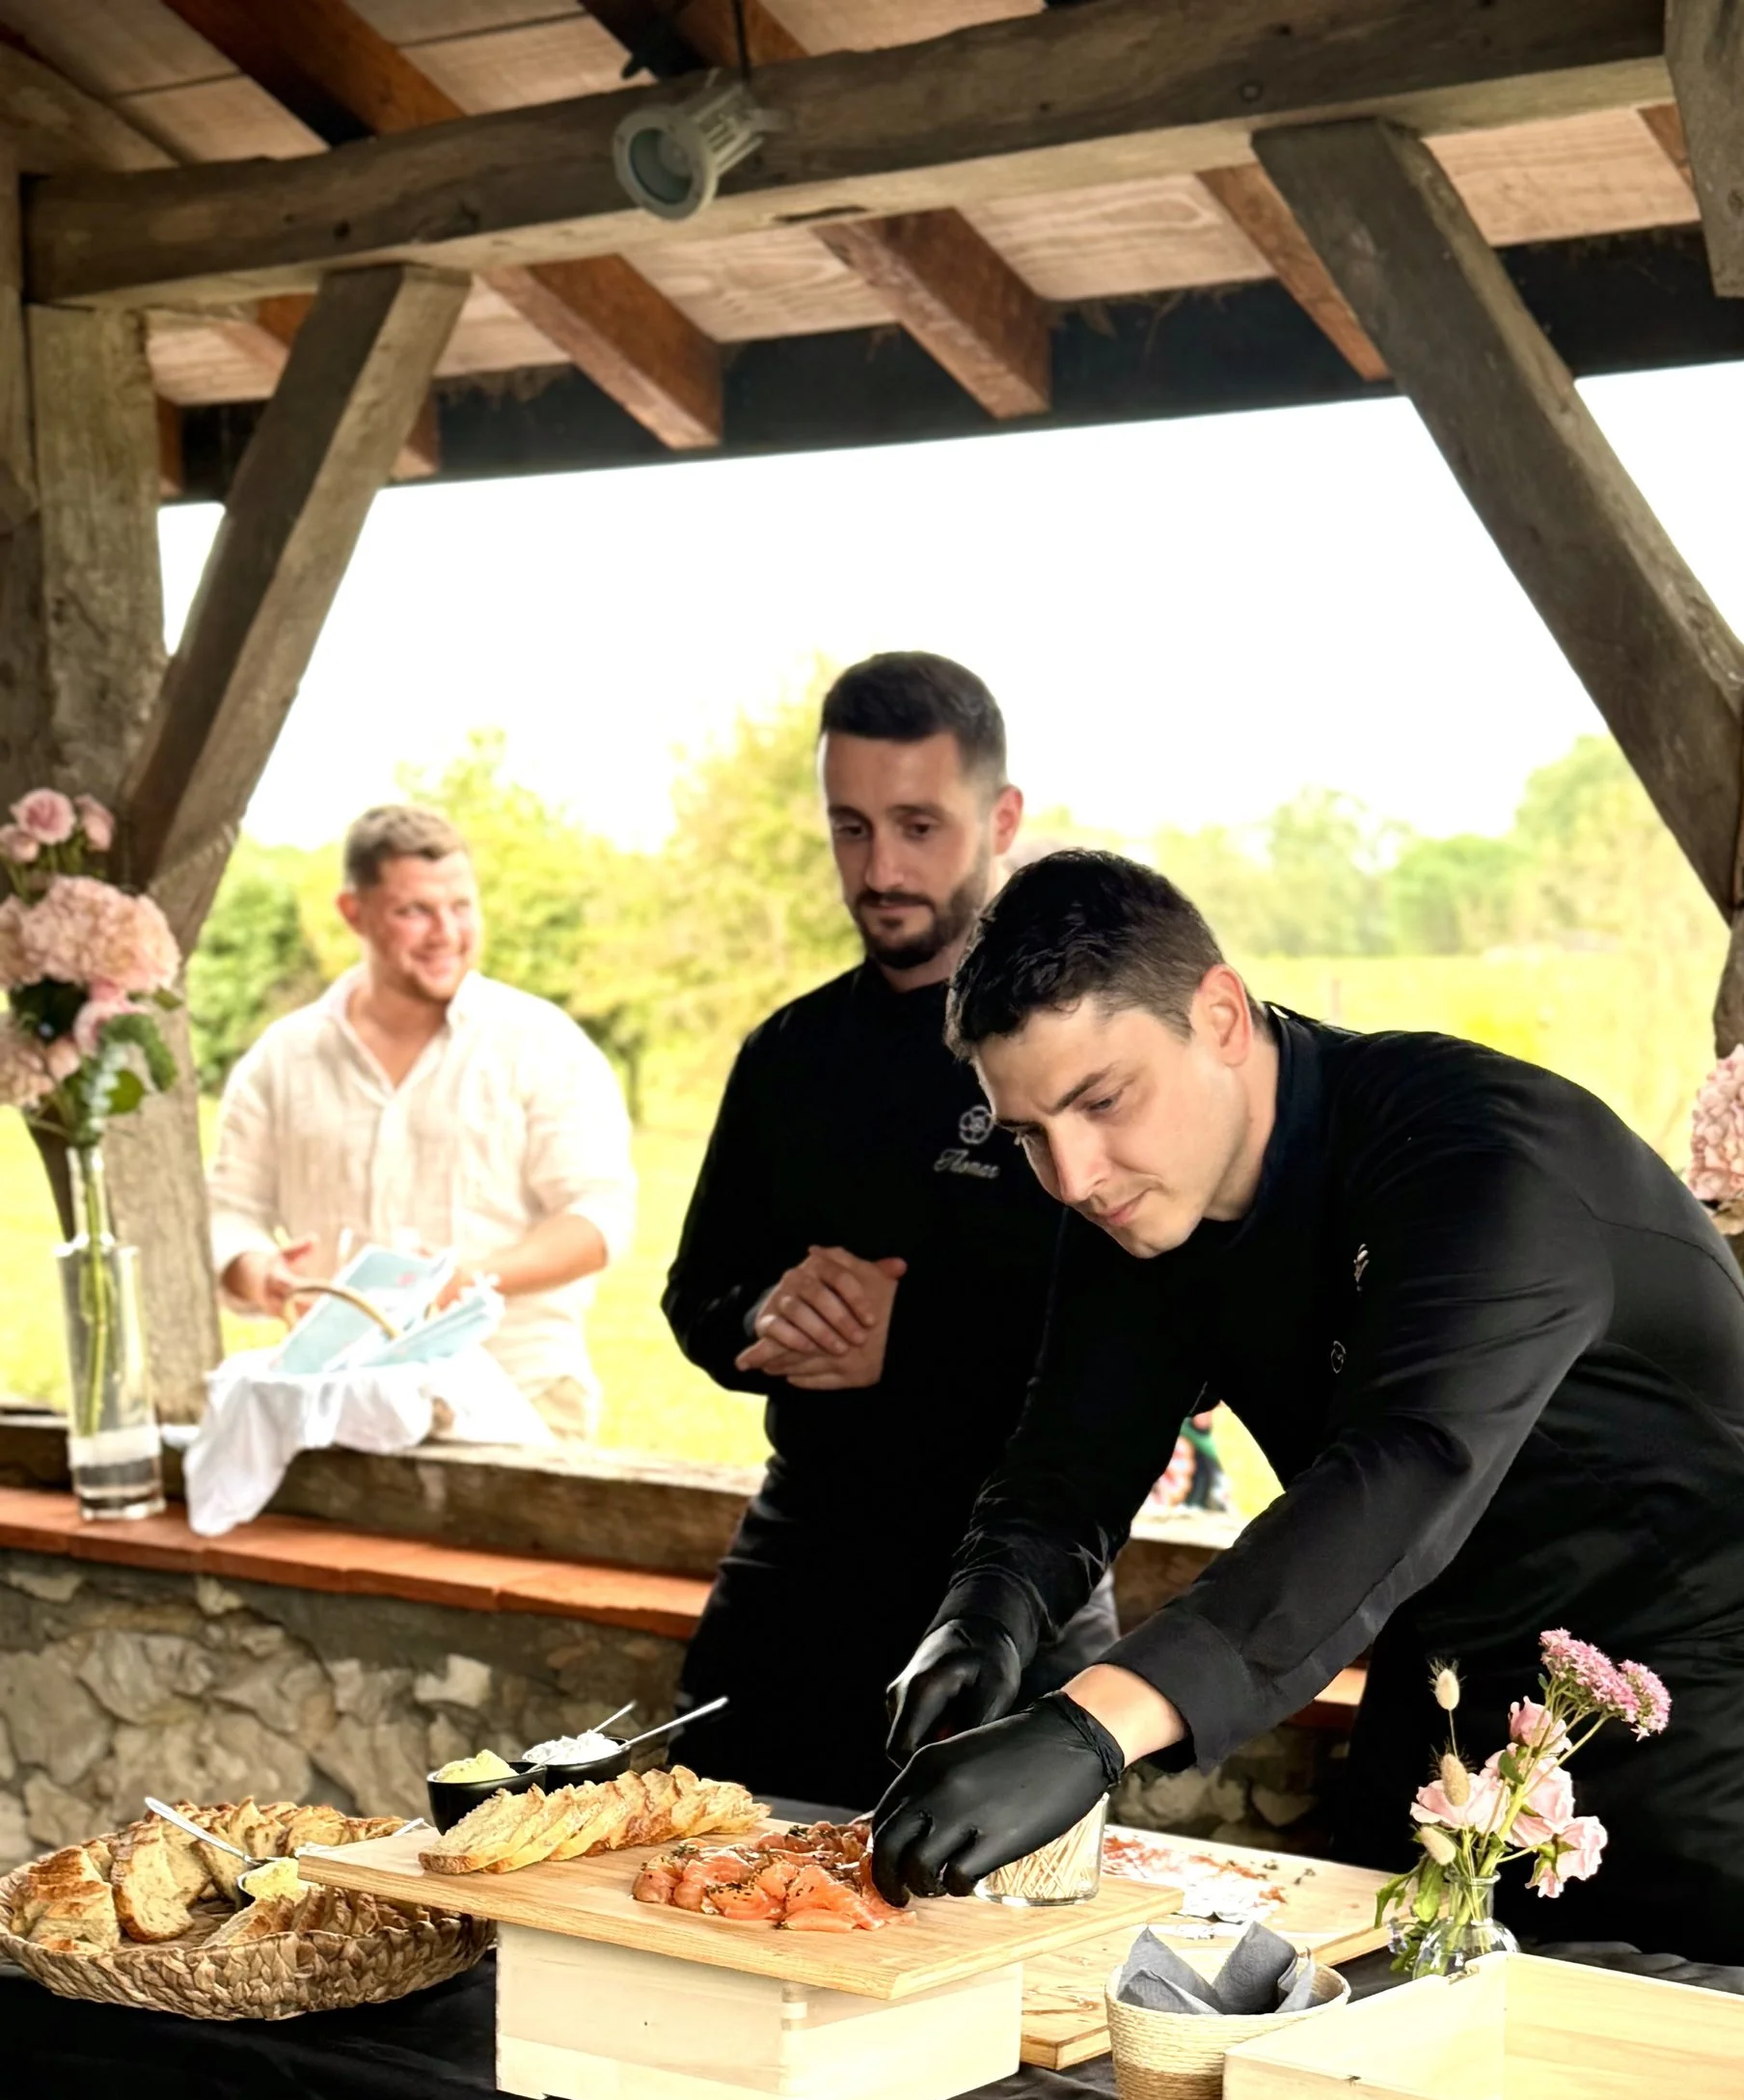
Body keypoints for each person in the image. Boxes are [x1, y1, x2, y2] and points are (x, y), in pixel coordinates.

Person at [874, 850, 1744, 1978]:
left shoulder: (1485, 1159)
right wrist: (985, 1615)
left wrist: (1087, 1731)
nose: (1072, 1174)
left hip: (1702, 1653)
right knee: (1369, 2006)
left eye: (1101, 1101)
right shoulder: (1132, 1193)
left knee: (1665, 2052)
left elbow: (1400, 1471)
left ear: (1222, 1014)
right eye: (1027, 1133)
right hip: (1446, 1631)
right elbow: (1068, 1459)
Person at [664, 654, 1114, 1809]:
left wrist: (903, 1346)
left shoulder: (1084, 1050)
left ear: (1002, 818)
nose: (882, 869)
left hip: (1010, 1578)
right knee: (693, 1893)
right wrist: (770, 1313)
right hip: (798, 1559)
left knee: (991, 1950)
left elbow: (1138, 1341)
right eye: (851, 828)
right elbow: (696, 1295)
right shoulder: (790, 1053)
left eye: (919, 826)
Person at [207, 804, 637, 1440]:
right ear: (354, 912)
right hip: (334, 1405)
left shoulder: (543, 1043)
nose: (446, 932)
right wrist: (258, 1270)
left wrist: (470, 1283)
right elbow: (226, 1211)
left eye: (461, 907)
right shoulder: (283, 1057)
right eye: (415, 911)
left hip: (520, 1399)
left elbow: (599, 1218)